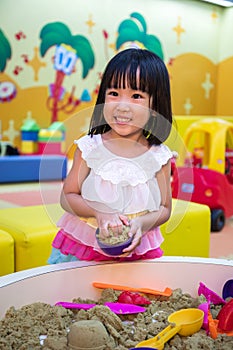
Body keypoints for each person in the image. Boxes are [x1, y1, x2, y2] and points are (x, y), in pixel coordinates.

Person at [48, 48, 174, 263]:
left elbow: (165, 208)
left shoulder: (158, 156)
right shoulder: (90, 147)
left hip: (136, 248)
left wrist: (143, 223)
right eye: (114, 93)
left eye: (136, 96)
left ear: (156, 105)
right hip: (85, 246)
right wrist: (100, 212)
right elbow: (68, 196)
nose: (122, 106)